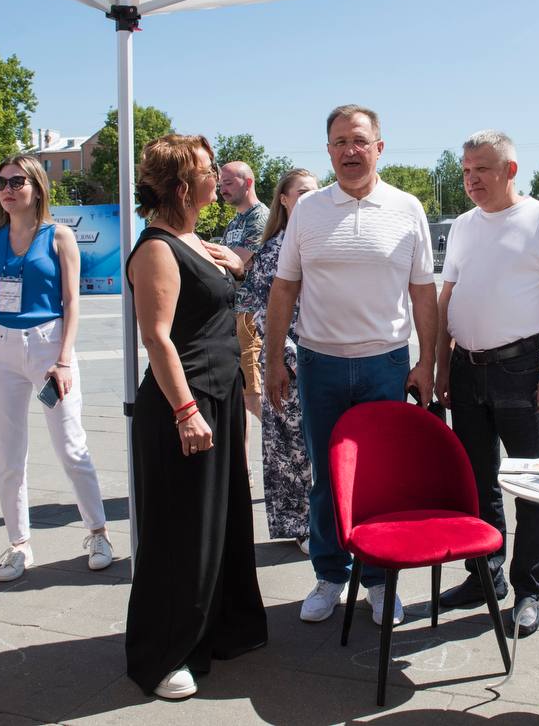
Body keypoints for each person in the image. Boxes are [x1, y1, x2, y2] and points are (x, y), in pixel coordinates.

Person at [265, 104, 436, 628]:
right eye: (339, 142)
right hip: (320, 364)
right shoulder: (309, 211)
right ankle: (330, 574)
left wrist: (429, 361)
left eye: (359, 140)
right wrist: (273, 360)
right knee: (325, 479)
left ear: (379, 147)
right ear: (328, 151)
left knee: (382, 479)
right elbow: (284, 288)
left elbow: (423, 292)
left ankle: (381, 582)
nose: (349, 151)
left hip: (385, 364)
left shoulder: (407, 208)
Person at [124, 134, 267, 700]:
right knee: (181, 531)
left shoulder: (193, 241)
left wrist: (235, 264)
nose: (217, 179)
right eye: (209, 171)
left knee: (221, 522)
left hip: (219, 396)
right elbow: (157, 338)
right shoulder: (157, 248)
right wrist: (186, 411)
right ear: (183, 185)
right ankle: (166, 654)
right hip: (184, 402)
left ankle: (219, 629)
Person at [435, 130, 539, 638]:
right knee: (477, 482)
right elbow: (447, 298)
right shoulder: (462, 226)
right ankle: (485, 575)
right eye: (466, 171)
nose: (471, 180)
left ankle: (528, 590)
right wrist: (440, 366)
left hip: (520, 371)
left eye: (482, 169)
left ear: (510, 170)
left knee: (531, 483)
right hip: (465, 369)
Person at [0, 155, 113, 582]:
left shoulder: (59, 236)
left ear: (36, 187)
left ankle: (98, 532)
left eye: (17, 182)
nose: (7, 190)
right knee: (8, 452)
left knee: (70, 444)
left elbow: (71, 302)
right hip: (3, 346)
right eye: (1, 182)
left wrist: (64, 359)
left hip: (49, 345)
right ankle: (18, 543)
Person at [240, 167, 318, 552]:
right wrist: (284, 353)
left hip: (326, 355)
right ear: (284, 200)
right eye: (302, 192)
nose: (310, 197)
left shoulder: (321, 240)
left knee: (322, 446)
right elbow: (257, 306)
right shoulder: (272, 249)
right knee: (290, 447)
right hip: (286, 361)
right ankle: (302, 525)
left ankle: (329, 520)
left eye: (316, 191)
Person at [219, 162, 268, 475]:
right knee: (239, 396)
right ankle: (241, 469)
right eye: (221, 183)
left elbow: (236, 261)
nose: (222, 188)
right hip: (234, 311)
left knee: (252, 394)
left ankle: (297, 445)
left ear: (247, 182)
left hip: (251, 314)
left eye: (228, 182)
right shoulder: (236, 221)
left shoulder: (260, 217)